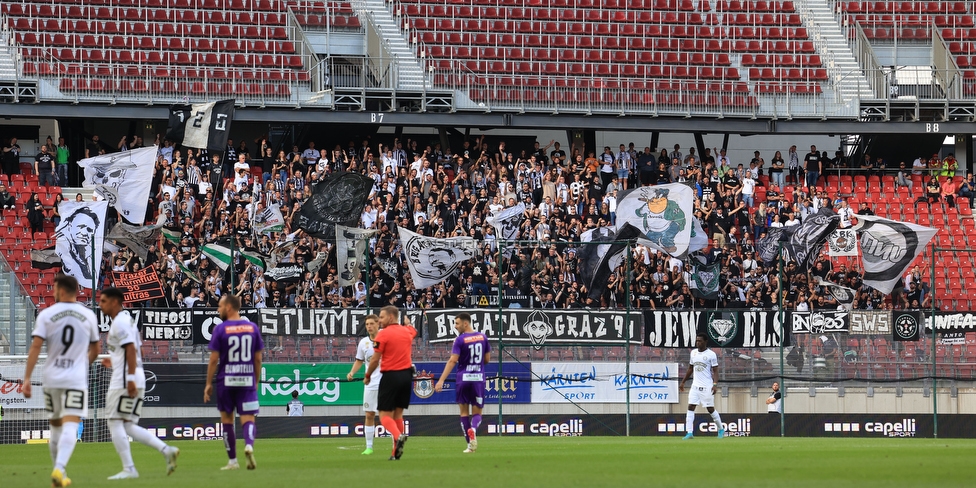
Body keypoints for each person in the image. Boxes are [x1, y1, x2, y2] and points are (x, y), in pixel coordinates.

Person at [22, 274, 100, 487]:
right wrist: (83, 365)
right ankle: (60, 468)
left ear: (63, 290)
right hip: (75, 378)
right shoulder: (88, 315)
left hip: (52, 377)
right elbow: (96, 348)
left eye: (55, 288)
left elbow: (36, 347)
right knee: (71, 423)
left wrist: (27, 378)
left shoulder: (47, 315)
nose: (53, 292)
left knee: (56, 426)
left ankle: (59, 472)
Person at [100, 287, 180, 479]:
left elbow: (130, 349)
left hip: (124, 380)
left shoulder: (120, 322)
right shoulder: (127, 321)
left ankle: (129, 469)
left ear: (114, 302)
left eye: (103, 301)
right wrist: (115, 361)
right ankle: (166, 449)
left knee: (114, 421)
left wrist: (128, 379)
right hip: (135, 375)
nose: (100, 304)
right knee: (127, 424)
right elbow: (139, 352)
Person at [204, 294, 264, 471]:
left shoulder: (221, 329)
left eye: (220, 306)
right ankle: (249, 445)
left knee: (227, 421)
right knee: (248, 418)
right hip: (246, 379)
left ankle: (232, 461)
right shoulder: (252, 327)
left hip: (226, 380)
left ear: (229, 307)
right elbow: (258, 359)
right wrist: (256, 380)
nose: (218, 309)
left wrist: (208, 383)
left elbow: (214, 359)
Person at [364, 305, 416, 460]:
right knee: (398, 414)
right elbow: (414, 331)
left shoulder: (383, 335)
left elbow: (375, 359)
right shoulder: (406, 331)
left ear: (391, 317)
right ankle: (395, 453)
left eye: (382, 317)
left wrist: (367, 375)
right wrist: (407, 324)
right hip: (407, 376)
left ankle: (398, 435)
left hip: (391, 376)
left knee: (384, 415)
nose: (379, 320)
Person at [434, 312, 491, 453]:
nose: (455, 326)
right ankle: (474, 428)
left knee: (464, 412)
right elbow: (487, 359)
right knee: (477, 412)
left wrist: (441, 380)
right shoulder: (483, 337)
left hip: (463, 379)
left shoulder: (460, 340)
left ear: (466, 323)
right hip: (478, 378)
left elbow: (453, 360)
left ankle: (470, 445)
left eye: (457, 323)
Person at [678, 333, 725, 439]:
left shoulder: (711, 354)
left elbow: (716, 371)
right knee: (690, 407)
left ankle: (721, 429)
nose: (698, 343)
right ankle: (689, 433)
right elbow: (690, 368)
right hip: (695, 386)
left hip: (707, 386)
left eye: (700, 341)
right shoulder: (693, 353)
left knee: (710, 409)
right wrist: (683, 382)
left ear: (705, 342)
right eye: (697, 341)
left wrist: (715, 384)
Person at [347, 314, 381, 455]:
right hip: (371, 383)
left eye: (372, 324)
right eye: (367, 324)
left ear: (378, 324)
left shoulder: (386, 339)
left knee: (389, 415)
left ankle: (396, 444)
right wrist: (352, 372)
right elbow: (359, 360)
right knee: (369, 414)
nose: (369, 327)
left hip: (387, 383)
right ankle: (369, 447)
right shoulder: (363, 343)